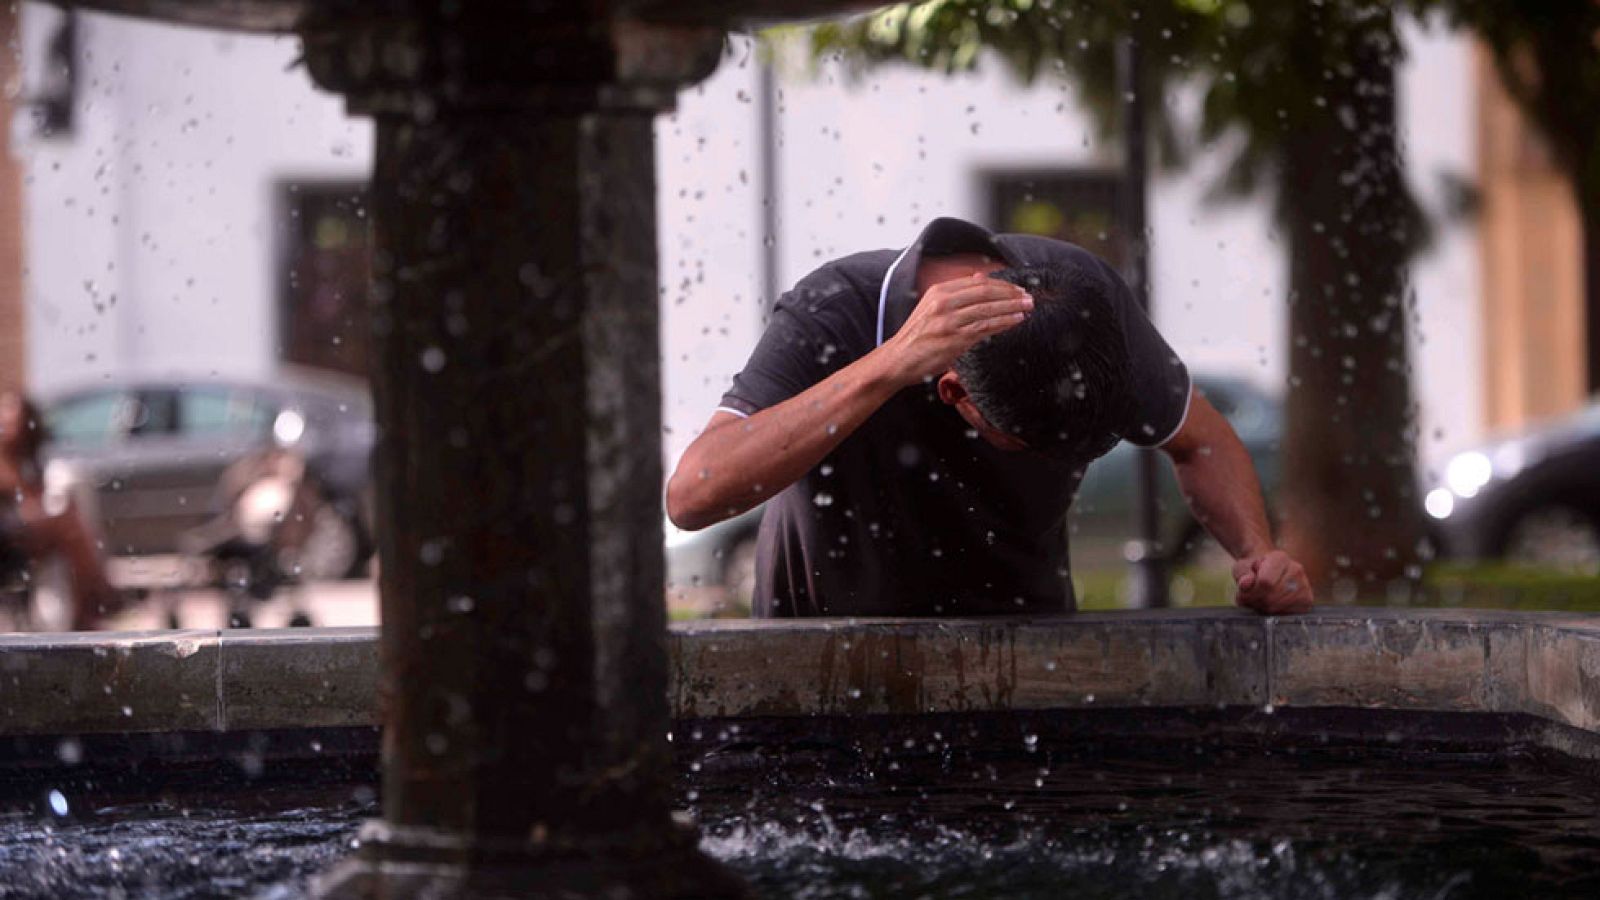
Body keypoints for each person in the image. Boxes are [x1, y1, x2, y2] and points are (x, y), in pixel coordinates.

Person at [666, 217, 1313, 617]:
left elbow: (1201, 442)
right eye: (1023, 446)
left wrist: (1259, 558)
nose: (1054, 472)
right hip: (823, 654)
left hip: (1023, 649)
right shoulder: (832, 312)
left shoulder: (1078, 303)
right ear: (954, 392)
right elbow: (692, 496)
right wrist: (887, 365)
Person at [0, 389, 119, 629]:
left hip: (20, 536)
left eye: (14, 415)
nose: (7, 421)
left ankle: (88, 607)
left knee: (68, 520)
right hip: (6, 544)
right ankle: (99, 597)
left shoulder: (25, 461)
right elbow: (26, 505)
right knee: (67, 524)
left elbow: (29, 503)